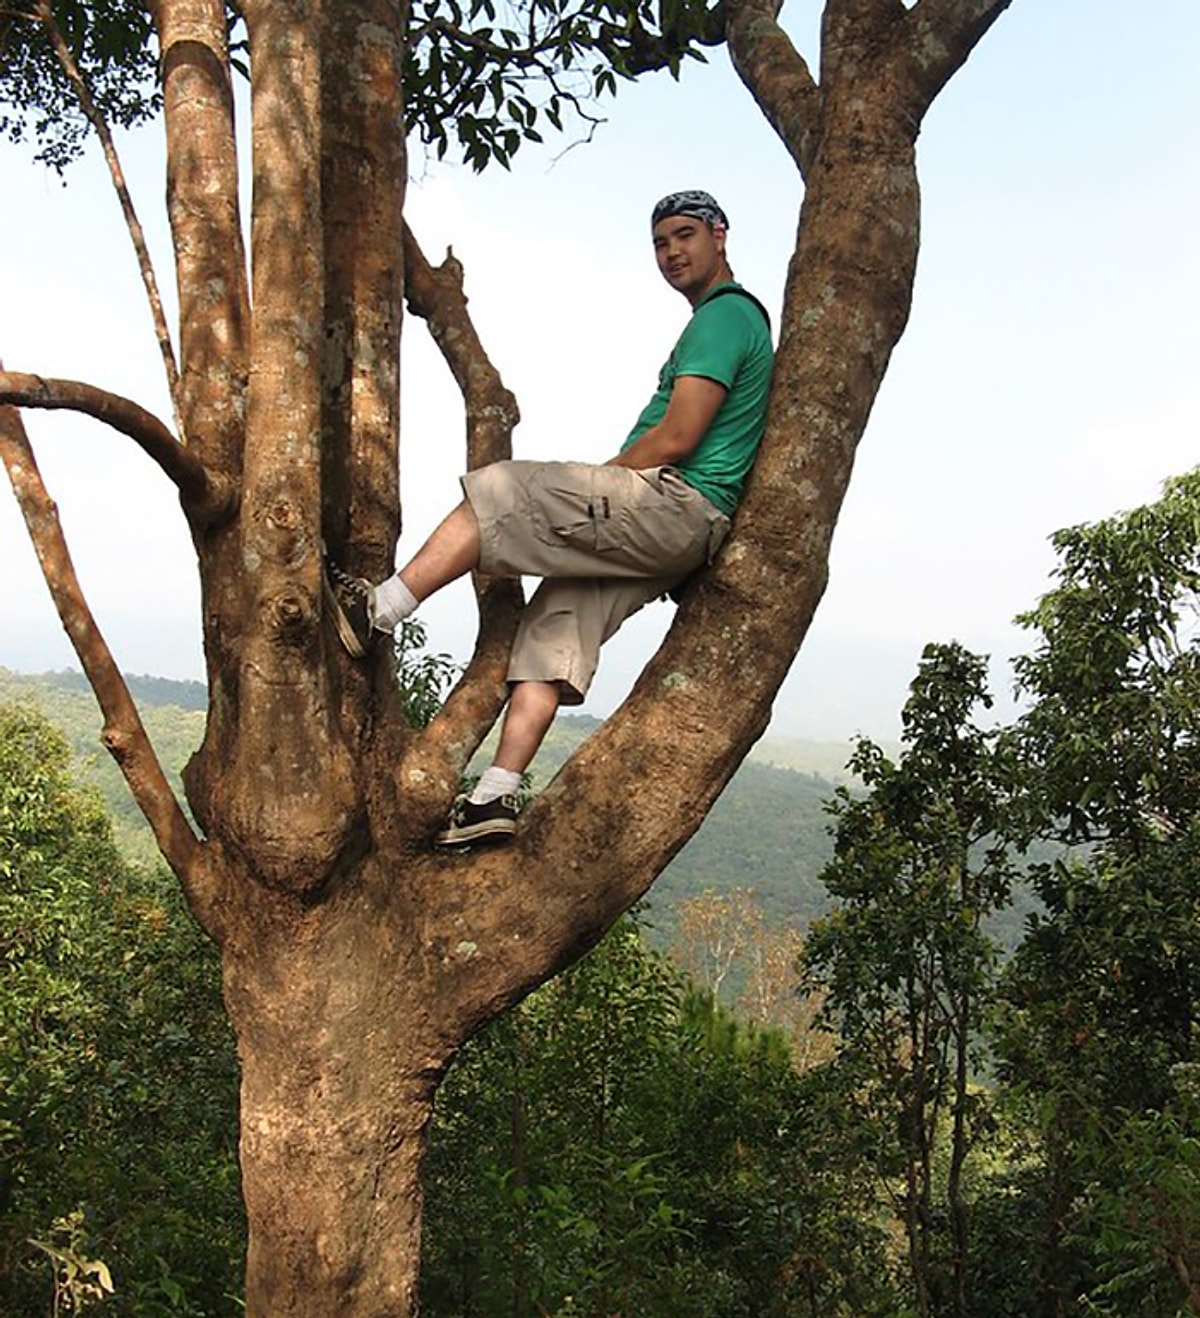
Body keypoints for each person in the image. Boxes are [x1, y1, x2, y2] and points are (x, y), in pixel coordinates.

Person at [325, 189, 774, 846]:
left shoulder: (725, 318)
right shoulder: (731, 323)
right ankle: (495, 797)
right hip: (687, 530)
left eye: (685, 235)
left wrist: (609, 480)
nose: (672, 252)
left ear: (719, 235)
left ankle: (381, 610)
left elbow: (678, 436)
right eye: (660, 242)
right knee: (554, 628)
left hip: (672, 502)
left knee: (506, 491)